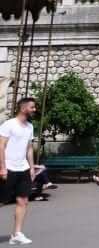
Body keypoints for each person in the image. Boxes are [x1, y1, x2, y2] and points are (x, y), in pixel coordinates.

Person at [0, 97, 38, 245]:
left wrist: (32, 167)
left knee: (23, 200)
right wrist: (2, 167)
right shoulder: (9, 124)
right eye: (32, 107)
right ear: (23, 108)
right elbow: (1, 146)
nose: (34, 110)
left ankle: (17, 234)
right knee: (2, 200)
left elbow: (29, 148)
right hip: (8, 168)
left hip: (23, 168)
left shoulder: (29, 127)